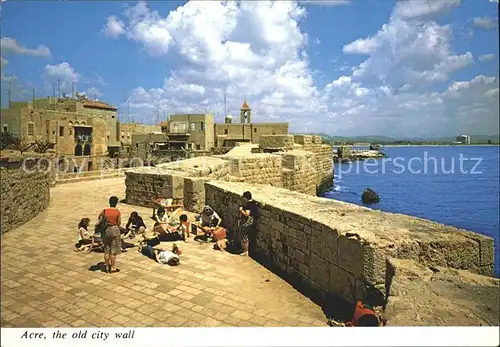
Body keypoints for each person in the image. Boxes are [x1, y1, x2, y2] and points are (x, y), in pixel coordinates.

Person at [98, 196, 122, 273]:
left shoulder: (104, 211)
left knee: (106, 249)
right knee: (113, 250)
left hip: (106, 230)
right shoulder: (117, 212)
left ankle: (107, 267)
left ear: (109, 202)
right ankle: (113, 267)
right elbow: (118, 223)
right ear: (116, 203)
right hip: (114, 229)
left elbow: (99, 219)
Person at [237, 191, 258, 256]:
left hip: (247, 222)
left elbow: (247, 214)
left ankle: (245, 251)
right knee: (244, 235)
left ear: (246, 198)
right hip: (252, 221)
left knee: (244, 235)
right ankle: (243, 249)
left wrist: (241, 210)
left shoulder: (248, 204)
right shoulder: (254, 203)